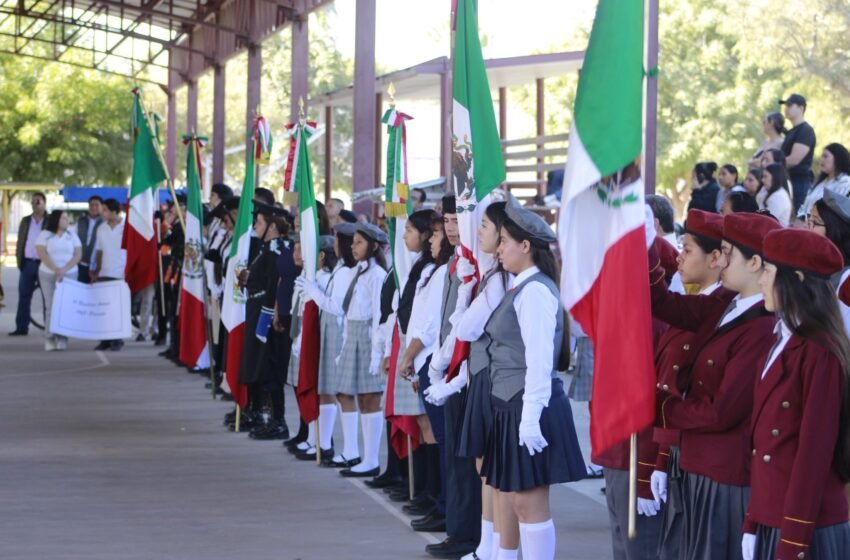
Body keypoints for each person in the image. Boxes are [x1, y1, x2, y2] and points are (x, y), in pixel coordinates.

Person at [647, 212, 781, 559]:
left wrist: (661, 407)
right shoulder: (727, 301)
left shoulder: (761, 326)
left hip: (725, 472)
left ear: (754, 263)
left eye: (727, 253)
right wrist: (642, 246)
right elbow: (668, 305)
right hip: (699, 462)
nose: (720, 263)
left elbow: (722, 411)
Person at [477, 196, 584, 560]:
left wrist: (530, 418)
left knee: (528, 505)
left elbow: (539, 361)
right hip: (514, 403)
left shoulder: (535, 290)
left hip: (528, 404)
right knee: (513, 497)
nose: (500, 248)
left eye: (505, 242)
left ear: (526, 246)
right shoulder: (523, 285)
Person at [741, 227, 850, 560]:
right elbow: (763, 446)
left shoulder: (820, 351)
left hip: (806, 526)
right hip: (774, 514)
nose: (760, 282)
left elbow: (812, 455)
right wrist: (753, 520)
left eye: (769, 272)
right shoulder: (785, 338)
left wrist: (793, 540)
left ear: (797, 279)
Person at [645, 209, 728, 560]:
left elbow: (700, 397)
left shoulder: (728, 308)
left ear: (717, 258)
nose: (680, 257)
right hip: (682, 449)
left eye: (688, 249)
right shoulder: (712, 303)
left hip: (709, 456)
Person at [450, 201, 519, 560]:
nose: (478, 232)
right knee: (484, 467)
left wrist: (464, 294)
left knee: (492, 469)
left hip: (492, 378)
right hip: (483, 375)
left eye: (486, 227)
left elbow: (467, 327)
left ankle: (496, 549)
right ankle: (488, 545)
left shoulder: (498, 279)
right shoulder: (492, 273)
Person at [420, 195, 482, 559]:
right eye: (447, 221)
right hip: (447, 368)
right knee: (454, 460)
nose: (450, 228)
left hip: (464, 373)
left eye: (458, 220)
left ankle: (467, 534)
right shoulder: (453, 263)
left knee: (464, 460)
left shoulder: (474, 264)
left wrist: (444, 366)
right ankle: (457, 529)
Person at [295, 216, 360, 465]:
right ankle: (319, 441)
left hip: (335, 328)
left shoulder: (343, 272)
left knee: (329, 389)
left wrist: (313, 291)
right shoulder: (341, 270)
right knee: (323, 387)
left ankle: (326, 444)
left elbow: (335, 306)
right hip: (328, 327)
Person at [237, 201, 286, 429]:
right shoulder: (263, 249)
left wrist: (265, 321)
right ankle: (257, 411)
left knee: (266, 365)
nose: (255, 226)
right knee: (254, 362)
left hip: (263, 312)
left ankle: (274, 418)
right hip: (255, 307)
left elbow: (273, 288)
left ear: (272, 227)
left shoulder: (275, 252)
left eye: (259, 222)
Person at [35, 210, 82, 351]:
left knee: (65, 307)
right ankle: (49, 338)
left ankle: (62, 337)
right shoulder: (44, 235)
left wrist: (64, 269)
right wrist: (55, 269)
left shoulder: (72, 235)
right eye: (63, 218)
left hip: (69, 275)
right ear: (56, 219)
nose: (66, 220)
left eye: (67, 218)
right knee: (50, 306)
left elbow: (78, 255)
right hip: (48, 274)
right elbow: (42, 254)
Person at [808, 190, 850, 332]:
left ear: (835, 229)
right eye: (809, 221)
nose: (809, 229)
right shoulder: (814, 264)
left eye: (816, 222)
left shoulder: (846, 279)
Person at [91, 198, 126, 352]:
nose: (102, 213)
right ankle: (105, 339)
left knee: (117, 309)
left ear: (114, 211)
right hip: (105, 272)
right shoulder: (101, 228)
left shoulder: (127, 228)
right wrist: (96, 270)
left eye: (105, 210)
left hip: (121, 273)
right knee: (104, 308)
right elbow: (99, 251)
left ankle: (117, 339)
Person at [11, 191, 47, 336]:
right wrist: (19, 260)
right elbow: (21, 241)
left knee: (47, 297)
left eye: (38, 202)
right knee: (24, 296)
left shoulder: (50, 220)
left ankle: (49, 328)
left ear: (44, 203)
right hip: (28, 263)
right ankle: (21, 327)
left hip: (45, 264)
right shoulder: (26, 221)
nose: (35, 205)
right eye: (33, 202)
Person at [780, 94, 817, 212]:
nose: (786, 108)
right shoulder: (791, 132)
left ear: (801, 108)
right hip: (788, 181)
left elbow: (794, 160)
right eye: (785, 105)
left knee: (799, 218)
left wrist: (772, 164)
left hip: (799, 183)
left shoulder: (805, 130)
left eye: (790, 105)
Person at [797, 143, 850, 221]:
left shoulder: (846, 183)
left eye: (825, 156)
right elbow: (804, 207)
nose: (821, 159)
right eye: (822, 156)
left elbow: (840, 213)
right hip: (806, 226)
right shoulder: (820, 183)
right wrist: (800, 219)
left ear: (838, 158)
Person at [75, 195, 103, 284]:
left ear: (101, 207)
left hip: (98, 266)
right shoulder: (81, 221)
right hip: (80, 264)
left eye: (96, 205)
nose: (94, 207)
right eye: (91, 205)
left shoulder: (105, 222)